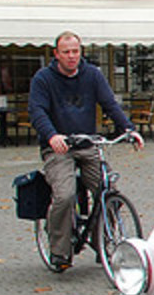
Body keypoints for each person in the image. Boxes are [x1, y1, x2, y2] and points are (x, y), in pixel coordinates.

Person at [28, 31, 143, 270]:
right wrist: (52, 136)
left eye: (76, 52)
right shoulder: (43, 79)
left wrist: (129, 129)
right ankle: (59, 250)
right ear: (56, 54)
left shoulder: (92, 75)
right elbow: (37, 111)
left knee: (107, 191)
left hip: (88, 144)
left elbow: (110, 104)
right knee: (65, 195)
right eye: (66, 52)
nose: (72, 57)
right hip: (59, 148)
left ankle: (104, 241)